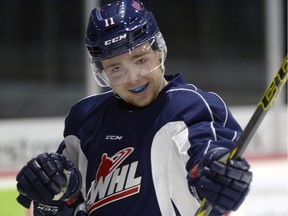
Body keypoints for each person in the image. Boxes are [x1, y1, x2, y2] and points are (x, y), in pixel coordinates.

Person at [16, 0, 252, 215]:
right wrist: (54, 194)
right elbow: (55, 205)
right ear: (102, 73)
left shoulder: (189, 107)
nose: (134, 78)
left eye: (141, 60)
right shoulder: (84, 119)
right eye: (116, 68)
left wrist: (216, 167)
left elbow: (207, 148)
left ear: (159, 51)